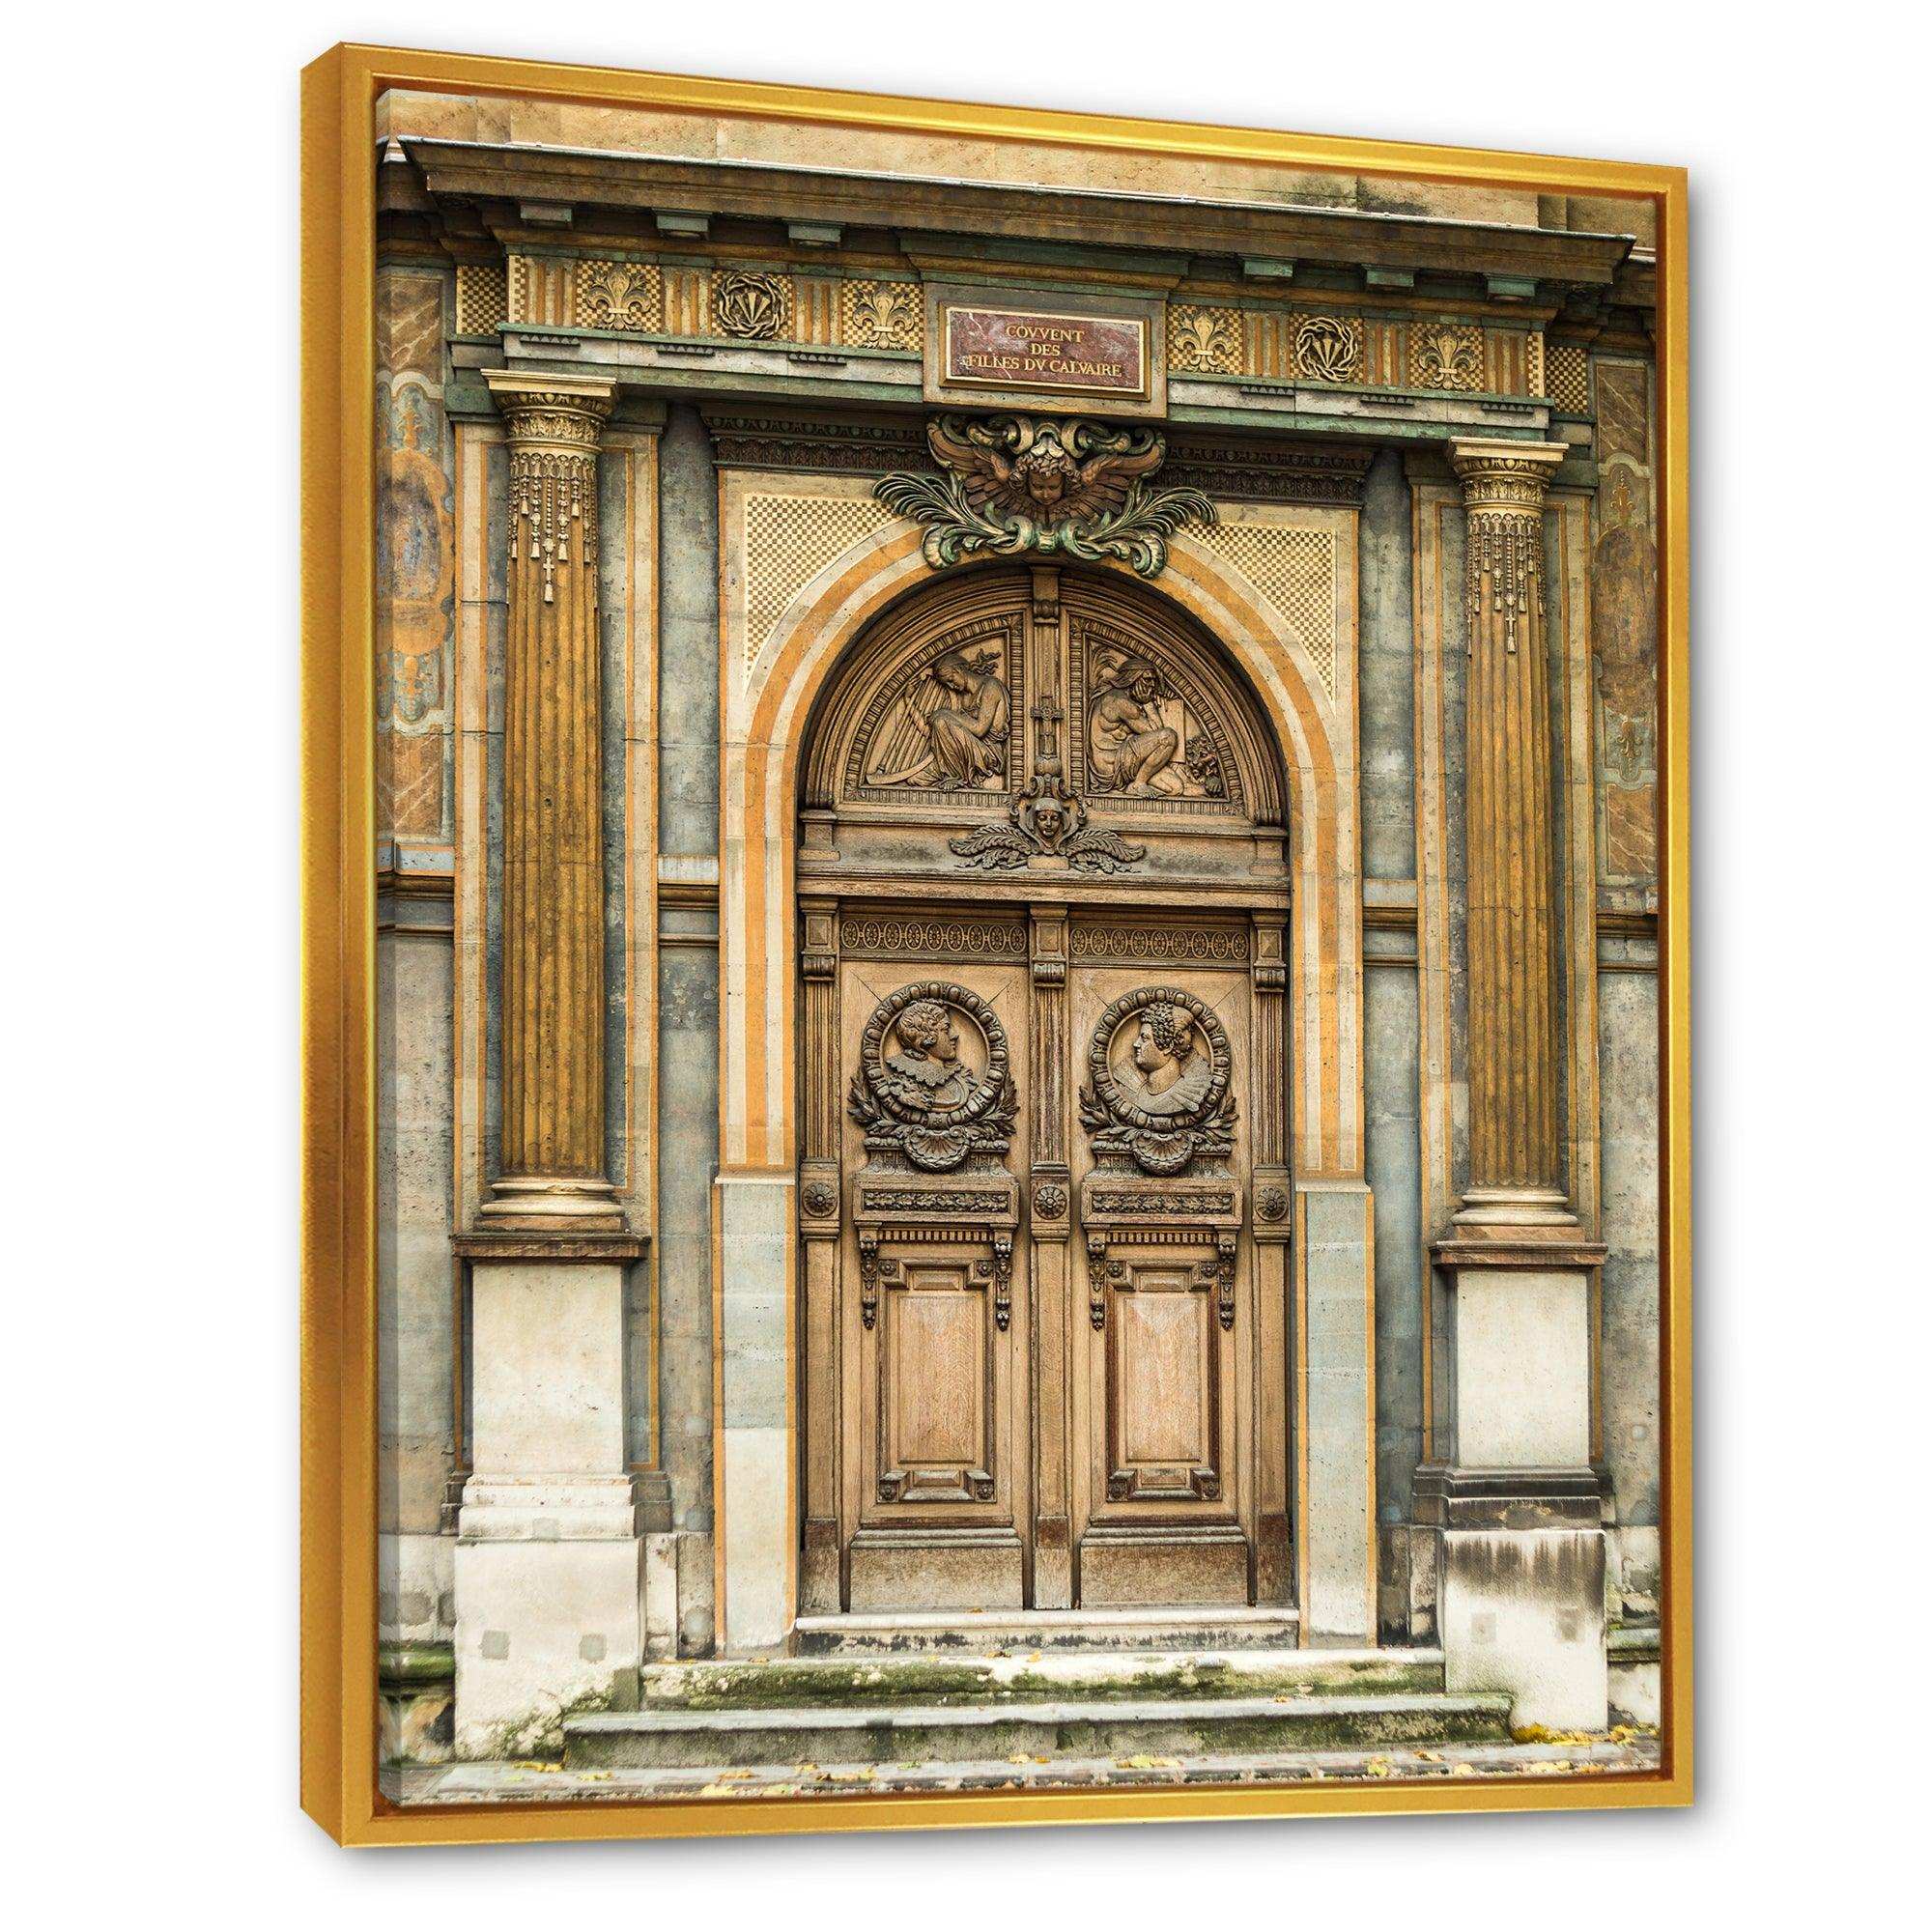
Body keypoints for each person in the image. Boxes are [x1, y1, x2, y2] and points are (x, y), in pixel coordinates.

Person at [1088, 658, 1181, 794]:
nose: (1152, 686)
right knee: (1169, 737)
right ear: (1132, 679)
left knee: (1176, 788)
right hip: (1113, 764)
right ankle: (1139, 783)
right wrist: (1148, 704)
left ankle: (1134, 785)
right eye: (1147, 680)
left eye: (1154, 681)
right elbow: (1159, 736)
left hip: (1126, 761)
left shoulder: (1117, 698)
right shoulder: (1120, 702)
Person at [883, 1000, 979, 1113]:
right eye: (946, 1030)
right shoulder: (904, 1085)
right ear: (927, 1036)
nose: (954, 1035)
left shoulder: (959, 1079)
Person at [1124, 1002, 1213, 1117]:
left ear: (1168, 1047)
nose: (1136, 1044)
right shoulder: (1131, 1089)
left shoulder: (1188, 1094)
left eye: (1144, 1038)